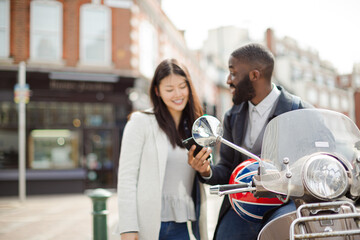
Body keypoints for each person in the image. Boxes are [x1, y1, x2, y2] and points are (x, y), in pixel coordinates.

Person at [188, 43, 312, 239]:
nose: (228, 80)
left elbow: (317, 164)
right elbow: (228, 168)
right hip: (241, 208)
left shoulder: (301, 111)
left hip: (285, 206)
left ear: (255, 75)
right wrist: (207, 171)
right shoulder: (232, 116)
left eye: (233, 73)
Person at [115, 59, 208, 240]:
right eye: (169, 89)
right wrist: (128, 227)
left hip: (183, 226)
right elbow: (126, 178)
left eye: (182, 86)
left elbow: (203, 175)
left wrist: (205, 169)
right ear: (157, 91)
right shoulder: (140, 122)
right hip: (148, 225)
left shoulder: (196, 127)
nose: (178, 94)